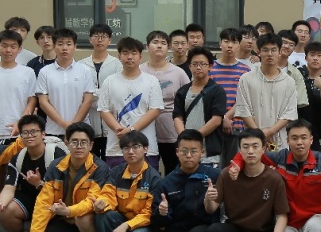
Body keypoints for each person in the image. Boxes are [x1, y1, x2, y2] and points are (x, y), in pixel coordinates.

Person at [203, 129, 289, 232]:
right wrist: (208, 198)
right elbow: (211, 208)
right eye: (245, 146)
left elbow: (282, 215)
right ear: (239, 149)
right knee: (213, 231)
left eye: (255, 146)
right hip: (236, 229)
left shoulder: (274, 178)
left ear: (263, 149)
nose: (250, 151)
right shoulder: (227, 174)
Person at [28, 122, 110, 232]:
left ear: (91, 145)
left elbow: (91, 201)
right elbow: (43, 201)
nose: (79, 146)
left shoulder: (100, 168)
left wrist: (69, 211)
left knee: (82, 218)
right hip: (64, 219)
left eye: (84, 142)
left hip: (87, 218)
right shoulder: (56, 166)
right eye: (74, 142)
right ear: (67, 143)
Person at [145, 129, 221, 232]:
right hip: (176, 230)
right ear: (177, 152)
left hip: (203, 229)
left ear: (202, 153)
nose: (189, 155)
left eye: (194, 151)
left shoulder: (214, 175)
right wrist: (162, 213)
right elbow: (158, 223)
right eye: (184, 151)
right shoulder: (166, 183)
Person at [0, 114, 67, 232]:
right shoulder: (18, 158)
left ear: (43, 134)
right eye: (25, 133)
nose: (29, 136)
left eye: (34, 132)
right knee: (6, 209)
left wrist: (39, 184)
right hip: (30, 199)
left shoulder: (56, 155)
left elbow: (64, 190)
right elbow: (9, 187)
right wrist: (1, 203)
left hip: (56, 202)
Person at [91, 131, 159, 232]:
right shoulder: (116, 172)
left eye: (136, 147)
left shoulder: (154, 177)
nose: (131, 151)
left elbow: (149, 213)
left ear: (145, 149)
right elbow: (108, 194)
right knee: (103, 215)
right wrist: (102, 203)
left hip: (143, 225)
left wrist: (126, 226)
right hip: (121, 219)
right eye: (126, 148)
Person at [97, 36, 163, 170]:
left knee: (147, 182)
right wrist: (119, 130)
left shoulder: (151, 81)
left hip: (146, 149)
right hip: (116, 149)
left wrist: (131, 130)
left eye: (134, 53)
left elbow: (155, 110)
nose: (129, 57)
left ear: (140, 56)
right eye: (125, 53)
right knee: (117, 182)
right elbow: (103, 110)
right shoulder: (109, 81)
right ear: (119, 56)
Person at [234, 33, 298, 151]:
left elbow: (289, 113)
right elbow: (243, 109)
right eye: (265, 50)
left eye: (274, 50)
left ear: (280, 52)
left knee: (277, 162)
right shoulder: (246, 79)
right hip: (251, 140)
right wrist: (259, 134)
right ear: (258, 52)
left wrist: (270, 132)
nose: (269, 54)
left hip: (279, 140)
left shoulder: (289, 82)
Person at [140, 29, 190, 173]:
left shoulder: (178, 73)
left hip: (171, 131)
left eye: (163, 43)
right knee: (147, 171)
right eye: (155, 42)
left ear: (168, 47)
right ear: (147, 46)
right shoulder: (140, 70)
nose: (159, 46)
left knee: (173, 169)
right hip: (145, 128)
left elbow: (188, 100)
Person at [35, 27, 97, 139]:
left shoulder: (84, 70)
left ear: (75, 47)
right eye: (60, 44)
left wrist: (73, 126)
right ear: (54, 46)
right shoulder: (45, 71)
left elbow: (87, 101)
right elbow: (43, 102)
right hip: (53, 131)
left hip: (81, 130)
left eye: (69, 44)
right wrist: (63, 124)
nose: (64, 48)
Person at [173, 47, 228, 165]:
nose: (198, 67)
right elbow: (177, 117)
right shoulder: (182, 91)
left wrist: (194, 138)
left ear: (210, 66)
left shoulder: (217, 91)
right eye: (195, 64)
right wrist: (184, 137)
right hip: (185, 153)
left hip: (209, 153)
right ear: (189, 66)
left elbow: (216, 120)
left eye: (203, 64)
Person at [208, 27, 251, 164]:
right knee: (214, 167)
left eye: (234, 42)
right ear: (220, 44)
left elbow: (244, 99)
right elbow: (206, 99)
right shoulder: (210, 68)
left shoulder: (245, 70)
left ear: (239, 45)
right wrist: (221, 119)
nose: (230, 45)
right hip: (212, 127)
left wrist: (227, 117)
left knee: (234, 166)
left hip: (236, 126)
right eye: (226, 41)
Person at [79, 23, 121, 159]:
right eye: (96, 36)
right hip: (89, 119)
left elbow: (116, 90)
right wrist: (100, 93)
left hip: (111, 122)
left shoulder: (117, 64)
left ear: (110, 40)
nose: (100, 39)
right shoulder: (81, 65)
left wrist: (93, 94)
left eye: (104, 36)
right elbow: (80, 92)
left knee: (110, 160)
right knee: (91, 160)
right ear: (90, 39)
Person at [277, 29, 310, 112]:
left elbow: (300, 101)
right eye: (284, 42)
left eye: (291, 44)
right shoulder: (260, 67)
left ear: (294, 48)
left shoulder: (296, 73)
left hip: (287, 115)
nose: (287, 46)